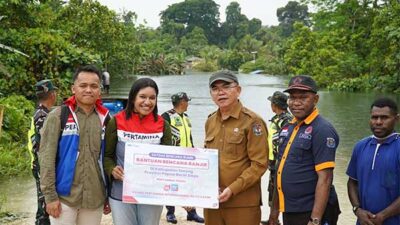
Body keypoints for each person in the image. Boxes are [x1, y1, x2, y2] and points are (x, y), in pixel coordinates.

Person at [39, 65, 110, 225]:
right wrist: (50, 196)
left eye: (94, 86)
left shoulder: (105, 118)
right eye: (83, 85)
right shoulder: (58, 116)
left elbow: (107, 159)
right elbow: (46, 158)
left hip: (95, 198)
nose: (88, 90)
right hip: (64, 198)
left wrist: (109, 195)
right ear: (73, 88)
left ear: (100, 90)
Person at [268, 75, 340, 225]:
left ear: (315, 99)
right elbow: (279, 170)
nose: (296, 103)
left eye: (303, 97)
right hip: (289, 209)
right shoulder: (288, 128)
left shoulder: (322, 130)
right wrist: (274, 212)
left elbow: (325, 179)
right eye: (292, 97)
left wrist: (315, 220)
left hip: (310, 212)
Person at [204, 70, 269, 225]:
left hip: (242, 203)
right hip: (213, 202)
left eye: (226, 87)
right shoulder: (210, 121)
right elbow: (206, 161)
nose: (221, 92)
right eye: (215, 89)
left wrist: (232, 189)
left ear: (238, 90)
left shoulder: (253, 122)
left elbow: (259, 165)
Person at [104, 78, 172, 225]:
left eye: (152, 98)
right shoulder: (116, 121)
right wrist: (112, 170)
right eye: (142, 97)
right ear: (133, 97)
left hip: (152, 193)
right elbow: (107, 156)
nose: (147, 102)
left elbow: (170, 163)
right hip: (120, 192)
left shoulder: (163, 125)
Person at [347, 97, 400, 225]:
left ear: (396, 119)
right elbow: (352, 182)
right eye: (374, 117)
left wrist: (382, 216)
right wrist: (357, 209)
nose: (378, 122)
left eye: (384, 118)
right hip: (363, 221)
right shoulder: (360, 146)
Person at [161, 92, 204, 224]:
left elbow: (189, 136)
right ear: (181, 102)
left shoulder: (186, 117)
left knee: (189, 184)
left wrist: (194, 150)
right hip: (173, 156)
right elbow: (162, 137)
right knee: (171, 183)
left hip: (188, 157)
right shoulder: (166, 116)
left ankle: (192, 213)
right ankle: (170, 213)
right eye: (187, 101)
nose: (188, 104)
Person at [261, 91, 292, 225]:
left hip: (280, 163)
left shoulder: (286, 120)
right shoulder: (277, 118)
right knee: (272, 190)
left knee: (278, 191)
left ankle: (275, 220)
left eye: (271, 103)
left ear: (275, 105)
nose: (271, 106)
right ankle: (273, 219)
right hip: (273, 162)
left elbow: (284, 143)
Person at [29, 79, 58, 225]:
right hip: (41, 165)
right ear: (52, 95)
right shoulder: (43, 116)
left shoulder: (40, 112)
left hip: (38, 164)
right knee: (44, 206)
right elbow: (44, 146)